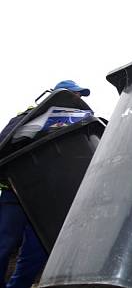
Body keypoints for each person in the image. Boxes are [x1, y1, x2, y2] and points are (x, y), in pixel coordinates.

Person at [0, 80, 90, 288]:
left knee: (36, 253)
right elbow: (5, 143)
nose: (79, 98)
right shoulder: (28, 117)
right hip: (17, 193)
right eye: (76, 94)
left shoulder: (73, 125)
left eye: (80, 96)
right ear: (57, 94)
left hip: (48, 199)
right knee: (3, 245)